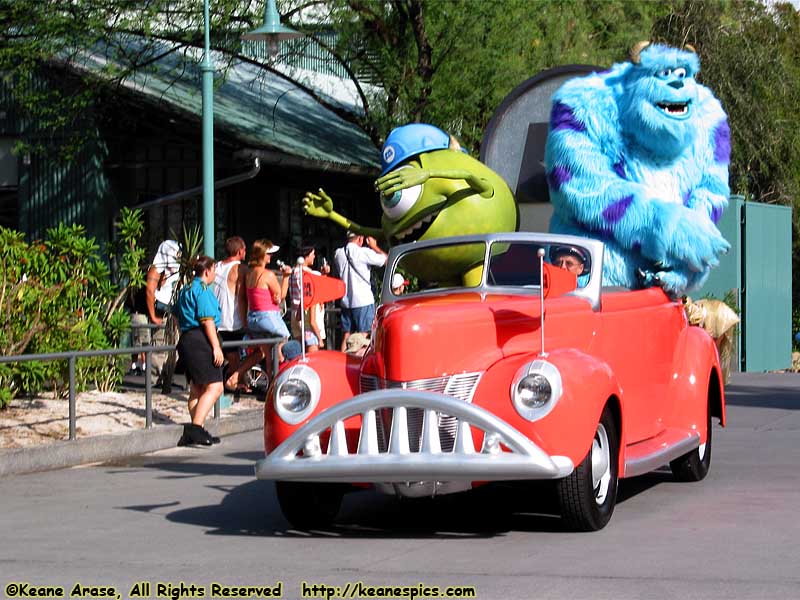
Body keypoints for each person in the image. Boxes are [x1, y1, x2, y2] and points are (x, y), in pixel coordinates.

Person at [226, 239, 292, 388]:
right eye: (269, 254)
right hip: (268, 317)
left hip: (254, 317)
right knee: (282, 343)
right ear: (263, 255)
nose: (271, 257)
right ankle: (278, 384)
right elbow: (281, 295)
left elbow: (257, 295)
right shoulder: (268, 275)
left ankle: (268, 384)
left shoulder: (249, 273)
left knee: (267, 355)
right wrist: (286, 277)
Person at [175, 256, 224, 447]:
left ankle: (197, 430)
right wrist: (215, 347)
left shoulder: (185, 289)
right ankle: (195, 428)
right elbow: (207, 320)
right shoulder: (202, 290)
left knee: (197, 388)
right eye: (213, 270)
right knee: (215, 386)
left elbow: (177, 315)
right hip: (200, 339)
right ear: (207, 271)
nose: (215, 274)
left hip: (187, 338)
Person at [333, 232, 387, 351]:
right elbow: (386, 260)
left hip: (346, 300)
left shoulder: (338, 253)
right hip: (363, 300)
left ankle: (342, 360)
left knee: (346, 335)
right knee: (365, 334)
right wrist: (374, 246)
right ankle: (360, 360)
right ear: (360, 239)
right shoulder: (363, 252)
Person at [213, 236, 248, 386]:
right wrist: (245, 321)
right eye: (245, 249)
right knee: (235, 354)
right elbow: (241, 298)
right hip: (232, 321)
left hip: (217, 319)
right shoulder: (238, 268)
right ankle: (234, 383)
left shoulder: (216, 266)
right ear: (240, 251)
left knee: (231, 354)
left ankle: (236, 380)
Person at [145, 240, 181, 376]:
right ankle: (154, 379)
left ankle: (166, 377)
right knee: (160, 346)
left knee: (173, 348)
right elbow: (150, 290)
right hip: (163, 311)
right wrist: (153, 315)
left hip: (174, 311)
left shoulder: (178, 268)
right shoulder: (157, 268)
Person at [290, 245, 330, 353]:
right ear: (306, 256)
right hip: (308, 313)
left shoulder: (293, 272)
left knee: (299, 351)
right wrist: (325, 274)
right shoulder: (311, 274)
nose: (314, 257)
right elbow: (322, 289)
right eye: (312, 254)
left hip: (295, 312)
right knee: (311, 350)